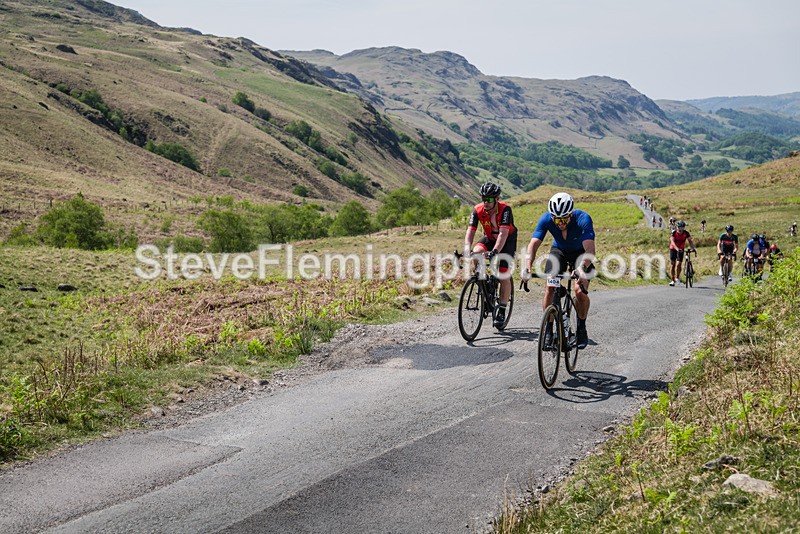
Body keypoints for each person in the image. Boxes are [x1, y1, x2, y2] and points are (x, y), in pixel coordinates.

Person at [521, 192, 595, 349]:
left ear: (570, 214)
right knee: (550, 286)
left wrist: (581, 268)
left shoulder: (583, 218)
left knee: (580, 291)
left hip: (581, 254)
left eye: (563, 219)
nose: (560, 223)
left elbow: (590, 249)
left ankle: (581, 328)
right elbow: (533, 244)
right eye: (556, 219)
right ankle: (548, 329)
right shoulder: (546, 219)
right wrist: (528, 266)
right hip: (559, 251)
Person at [463, 182, 517, 328]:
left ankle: (502, 309)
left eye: (490, 200)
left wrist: (495, 252)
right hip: (490, 238)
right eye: (484, 198)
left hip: (506, 240)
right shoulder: (477, 210)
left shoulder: (505, 210)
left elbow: (503, 233)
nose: (486, 202)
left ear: (497, 199)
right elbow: (471, 231)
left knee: (503, 273)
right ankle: (483, 281)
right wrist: (467, 249)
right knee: (476, 252)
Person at [669, 220, 695, 286]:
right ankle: (672, 280)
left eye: (682, 228)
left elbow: (690, 241)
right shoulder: (673, 232)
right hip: (673, 248)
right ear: (676, 227)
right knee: (673, 264)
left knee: (678, 264)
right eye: (679, 227)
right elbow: (672, 242)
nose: (680, 229)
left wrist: (692, 248)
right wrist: (677, 249)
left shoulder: (686, 233)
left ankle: (677, 278)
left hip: (681, 249)